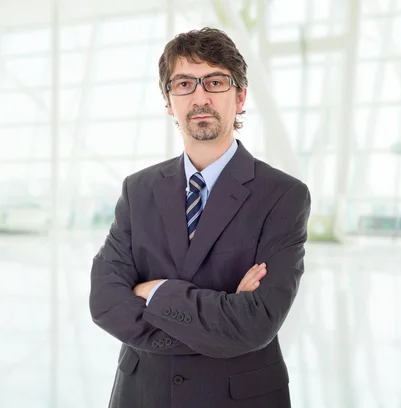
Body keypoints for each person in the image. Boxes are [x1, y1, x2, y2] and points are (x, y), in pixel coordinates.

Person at [89, 27, 311, 408]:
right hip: (145, 395)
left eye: (215, 81)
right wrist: (219, 324)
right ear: (168, 101)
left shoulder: (283, 196)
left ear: (240, 97)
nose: (200, 96)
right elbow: (106, 302)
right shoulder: (137, 190)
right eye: (185, 84)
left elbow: (256, 322)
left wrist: (154, 292)